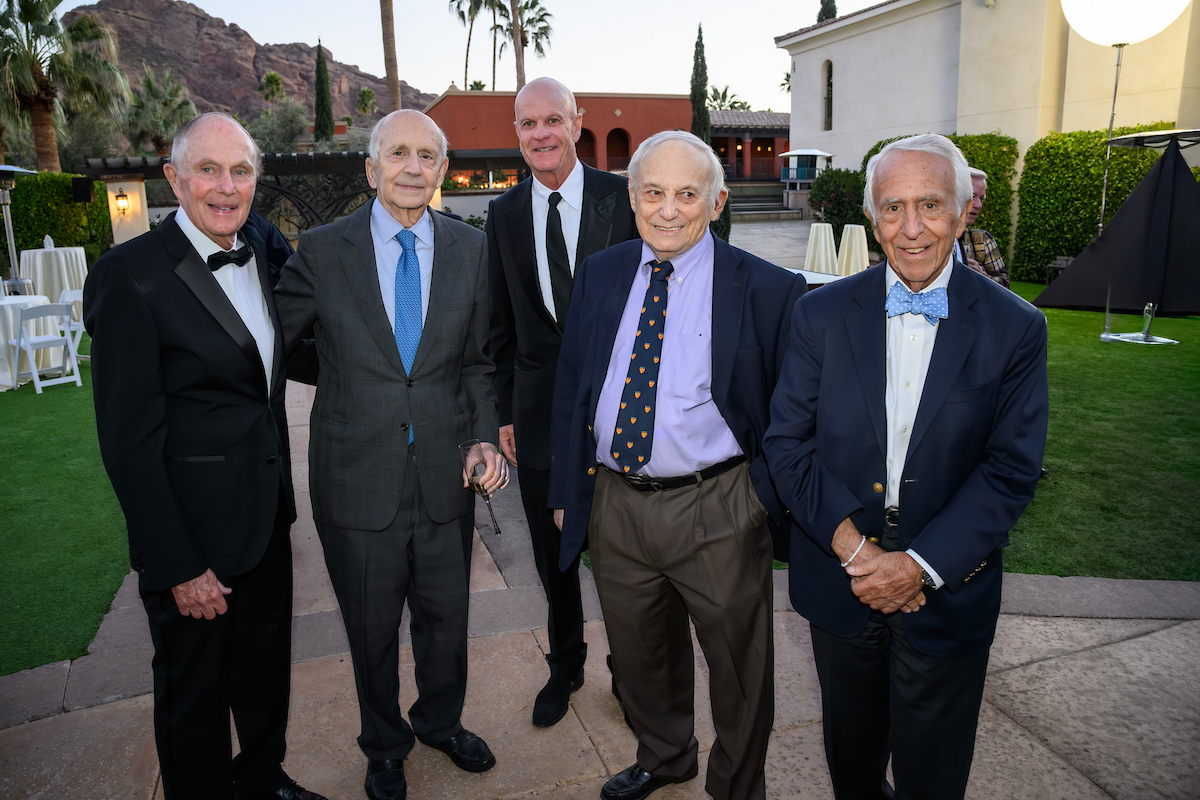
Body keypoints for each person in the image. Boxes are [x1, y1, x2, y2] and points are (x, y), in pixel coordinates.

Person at [763, 134, 1048, 800]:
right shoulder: (818, 314)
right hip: (840, 574)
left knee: (933, 774)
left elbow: (1010, 469)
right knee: (853, 761)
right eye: (893, 207)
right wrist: (858, 554)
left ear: (963, 211)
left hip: (948, 583)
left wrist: (916, 566)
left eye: (930, 205)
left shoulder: (1016, 327)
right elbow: (788, 445)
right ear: (872, 217)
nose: (912, 227)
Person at [549, 130, 807, 800]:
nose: (668, 210)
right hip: (615, 502)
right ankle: (665, 758)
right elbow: (573, 383)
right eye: (653, 193)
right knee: (640, 655)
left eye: (687, 194)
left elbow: (795, 414)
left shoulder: (770, 289)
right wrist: (568, 491)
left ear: (716, 202)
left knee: (739, 667)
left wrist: (758, 498)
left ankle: (736, 786)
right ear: (632, 198)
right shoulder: (601, 273)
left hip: (718, 505)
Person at [84, 112, 327, 800]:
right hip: (193, 536)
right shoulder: (128, 275)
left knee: (263, 671)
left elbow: (286, 356)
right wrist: (179, 564)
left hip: (267, 517)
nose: (226, 187)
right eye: (208, 170)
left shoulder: (263, 248)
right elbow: (128, 442)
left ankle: (263, 778)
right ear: (175, 179)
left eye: (240, 171)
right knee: (193, 695)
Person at [273, 109, 507, 800]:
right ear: (372, 169)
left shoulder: (470, 248)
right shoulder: (323, 250)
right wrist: (342, 375)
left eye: (427, 155)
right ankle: (383, 745)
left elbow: (477, 362)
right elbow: (277, 341)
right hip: (355, 475)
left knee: (446, 620)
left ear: (442, 170)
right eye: (398, 153)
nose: (413, 166)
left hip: (445, 473)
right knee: (371, 629)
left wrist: (483, 435)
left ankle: (440, 722)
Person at [485, 76, 637, 727]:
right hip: (540, 415)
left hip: (622, 411)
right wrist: (505, 412)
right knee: (554, 559)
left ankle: (631, 673)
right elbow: (499, 325)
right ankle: (566, 663)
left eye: (553, 120)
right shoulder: (503, 214)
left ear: (576, 124)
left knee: (625, 557)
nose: (541, 133)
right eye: (528, 123)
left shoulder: (623, 198)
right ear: (517, 134)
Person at [958, 167, 1010, 288]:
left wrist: (982, 277)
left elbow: (1005, 286)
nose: (978, 205)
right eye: (972, 196)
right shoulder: (929, 237)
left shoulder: (981, 240)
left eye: (981, 198)